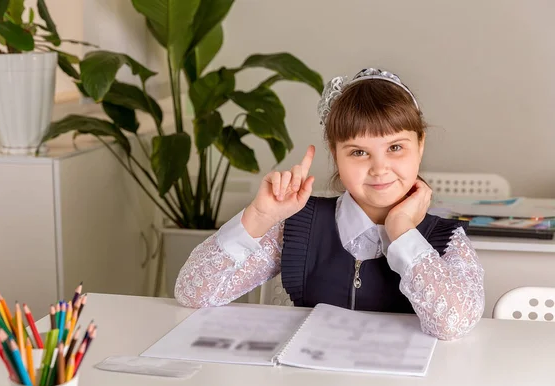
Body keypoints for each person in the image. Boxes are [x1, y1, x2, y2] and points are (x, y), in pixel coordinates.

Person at [174, 68, 485, 341]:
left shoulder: (446, 240)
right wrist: (259, 216)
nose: (379, 168)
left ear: (420, 144)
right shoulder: (299, 225)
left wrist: (402, 231)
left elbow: (453, 324)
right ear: (334, 152)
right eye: (358, 152)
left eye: (395, 147)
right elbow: (193, 293)